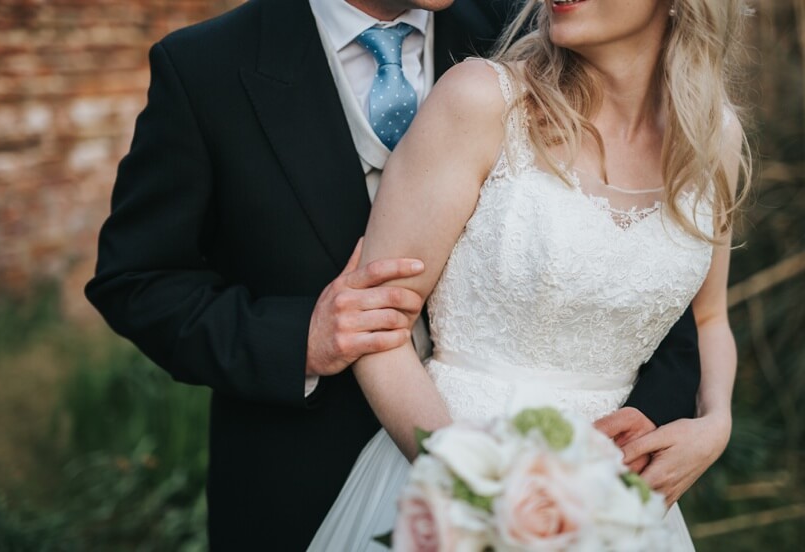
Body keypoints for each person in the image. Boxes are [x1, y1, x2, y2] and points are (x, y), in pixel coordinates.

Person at [86, 0, 708, 548]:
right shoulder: (206, 68)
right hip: (298, 486)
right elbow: (136, 279)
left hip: (559, 498)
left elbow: (637, 262)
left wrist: (660, 426)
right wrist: (298, 338)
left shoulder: (526, 32)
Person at [308, 0, 747, 548]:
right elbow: (378, 327)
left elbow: (709, 318)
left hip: (609, 504)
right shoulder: (481, 101)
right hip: (451, 474)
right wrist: (472, 485)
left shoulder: (713, 140)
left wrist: (715, 424)